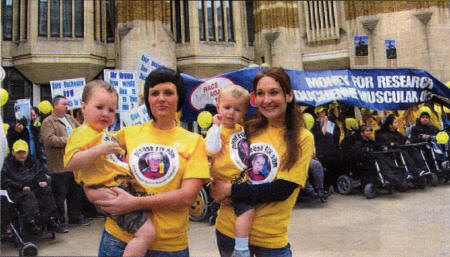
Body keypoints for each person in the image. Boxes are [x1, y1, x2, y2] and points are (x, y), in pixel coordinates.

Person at [85, 67, 210, 256]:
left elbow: (187, 196)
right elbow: (93, 162)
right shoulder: (127, 134)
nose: (161, 98)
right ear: (148, 99)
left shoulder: (194, 142)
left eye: (168, 92)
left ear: (179, 98)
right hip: (119, 240)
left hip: (169, 246)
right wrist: (90, 190)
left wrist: (133, 203)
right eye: (154, 93)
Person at [211, 67, 314, 257]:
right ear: (254, 98)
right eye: (260, 94)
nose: (267, 100)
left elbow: (281, 189)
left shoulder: (302, 138)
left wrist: (230, 190)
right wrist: (214, 186)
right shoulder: (246, 128)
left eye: (274, 92)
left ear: (289, 95)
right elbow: (220, 160)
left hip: (270, 242)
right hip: (228, 232)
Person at [64, 80, 155, 257]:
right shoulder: (81, 133)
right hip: (109, 190)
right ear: (83, 107)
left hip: (120, 187)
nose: (105, 113)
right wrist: (101, 149)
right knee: (147, 233)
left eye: (111, 110)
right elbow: (70, 162)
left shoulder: (104, 134)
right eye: (99, 107)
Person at [205, 83, 253, 257]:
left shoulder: (241, 130)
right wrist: (216, 127)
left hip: (241, 180)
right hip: (226, 182)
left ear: (244, 113)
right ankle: (241, 248)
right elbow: (211, 148)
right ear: (218, 107)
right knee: (247, 211)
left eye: (237, 109)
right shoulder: (217, 131)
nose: (231, 112)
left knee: (246, 210)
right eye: (227, 107)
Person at [40, 95, 89, 233]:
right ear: (55, 105)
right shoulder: (48, 122)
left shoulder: (70, 118)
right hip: (58, 165)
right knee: (59, 195)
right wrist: (69, 140)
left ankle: (74, 218)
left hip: (73, 163)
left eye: (67, 104)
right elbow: (49, 140)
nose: (67, 106)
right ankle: (60, 221)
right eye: (64, 104)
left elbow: (81, 130)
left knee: (74, 192)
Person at [1, 140, 61, 234]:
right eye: (19, 152)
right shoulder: (7, 164)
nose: (22, 155)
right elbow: (5, 181)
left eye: (23, 152)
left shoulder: (33, 161)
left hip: (33, 188)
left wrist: (42, 181)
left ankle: (50, 219)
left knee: (46, 190)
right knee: (28, 195)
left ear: (28, 151)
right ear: (13, 152)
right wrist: (21, 186)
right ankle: (31, 222)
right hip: (17, 192)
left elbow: (41, 173)